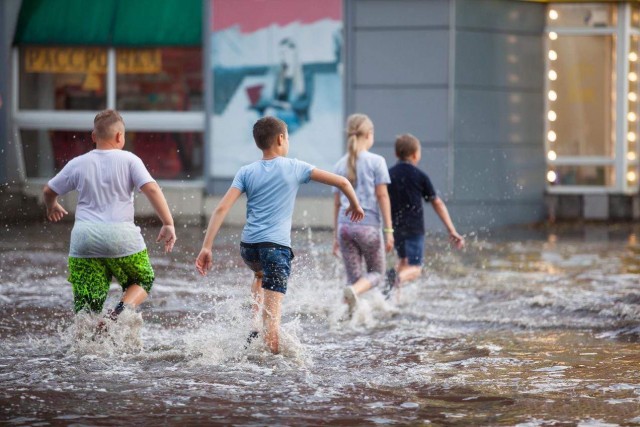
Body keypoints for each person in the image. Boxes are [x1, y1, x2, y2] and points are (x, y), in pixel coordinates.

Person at [195, 116, 364, 354]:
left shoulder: (246, 172)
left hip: (249, 248)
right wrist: (355, 206)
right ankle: (271, 368)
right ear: (281, 138)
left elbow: (221, 208)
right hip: (276, 249)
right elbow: (343, 182)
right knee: (272, 323)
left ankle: (254, 322)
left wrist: (206, 247)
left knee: (259, 274)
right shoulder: (295, 167)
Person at [42, 109, 176, 326]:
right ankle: (115, 315)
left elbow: (48, 191)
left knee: (87, 306)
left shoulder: (78, 163)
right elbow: (151, 189)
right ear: (119, 137)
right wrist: (168, 223)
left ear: (93, 137)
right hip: (121, 237)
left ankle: (87, 346)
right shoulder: (130, 160)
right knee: (142, 279)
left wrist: (52, 206)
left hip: (84, 240)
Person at [385, 133, 464, 296]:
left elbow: (382, 198)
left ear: (396, 154)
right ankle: (396, 277)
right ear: (415, 154)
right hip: (414, 229)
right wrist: (451, 229)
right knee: (415, 268)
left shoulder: (388, 174)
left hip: (395, 228)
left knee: (403, 261)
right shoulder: (420, 176)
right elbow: (437, 203)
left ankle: (392, 299)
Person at [332, 113, 394, 315]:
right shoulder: (377, 161)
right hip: (367, 226)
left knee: (353, 278)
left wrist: (335, 236)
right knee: (377, 273)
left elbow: (336, 204)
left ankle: (341, 315)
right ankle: (354, 293)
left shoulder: (339, 165)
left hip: (344, 227)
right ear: (369, 134)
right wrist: (389, 230)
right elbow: (382, 196)